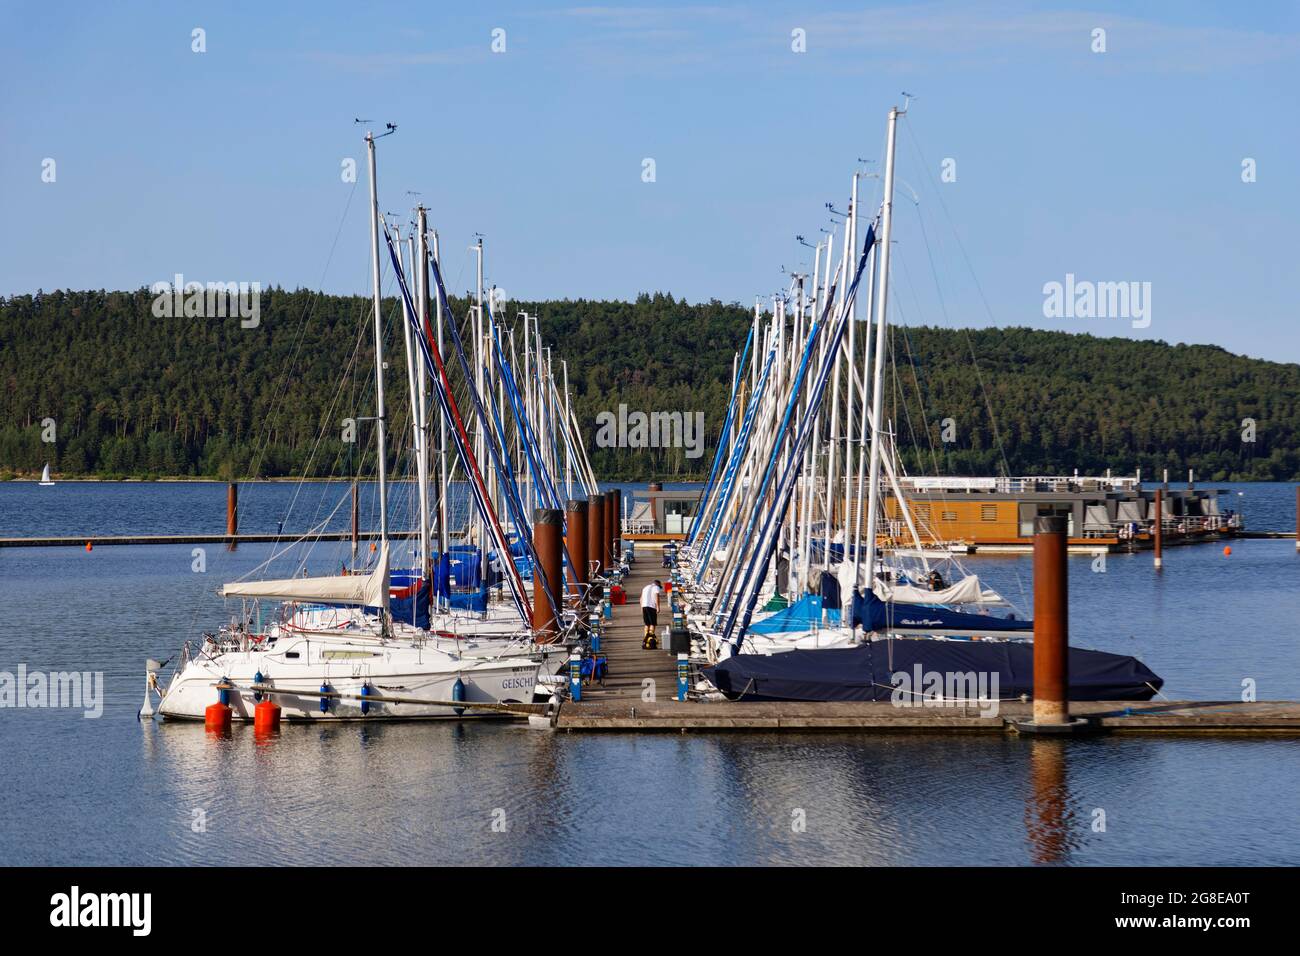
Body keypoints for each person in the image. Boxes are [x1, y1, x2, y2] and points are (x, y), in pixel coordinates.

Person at [640, 579, 663, 648]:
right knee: (653, 623)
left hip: (644, 606)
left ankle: (646, 640)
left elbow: (641, 598)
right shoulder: (656, 587)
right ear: (658, 584)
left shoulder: (645, 587)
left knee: (647, 624)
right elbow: (657, 596)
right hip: (651, 607)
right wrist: (658, 607)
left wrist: (642, 608)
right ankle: (651, 639)